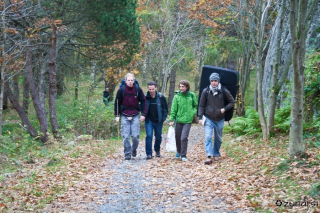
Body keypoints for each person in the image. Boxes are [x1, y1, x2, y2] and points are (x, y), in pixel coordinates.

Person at [198, 73, 235, 164]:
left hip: (220, 119)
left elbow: (232, 102)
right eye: (212, 81)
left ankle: (216, 153)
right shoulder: (206, 91)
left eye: (215, 81)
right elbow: (201, 105)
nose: (214, 83)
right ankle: (209, 155)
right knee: (208, 137)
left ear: (218, 81)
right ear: (210, 81)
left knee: (218, 138)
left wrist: (224, 109)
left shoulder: (223, 91)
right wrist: (200, 117)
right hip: (208, 118)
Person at [114, 73, 147, 160]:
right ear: (125, 81)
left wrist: (143, 114)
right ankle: (127, 154)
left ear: (134, 81)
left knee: (135, 136)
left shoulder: (138, 90)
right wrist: (116, 115)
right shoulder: (121, 90)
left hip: (135, 114)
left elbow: (143, 101)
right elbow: (117, 103)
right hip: (124, 115)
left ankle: (134, 149)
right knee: (125, 136)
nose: (130, 82)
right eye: (128, 80)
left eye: (132, 80)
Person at [169, 80, 198, 162]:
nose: (181, 88)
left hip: (188, 121)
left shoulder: (191, 95)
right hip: (179, 120)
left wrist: (192, 113)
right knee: (177, 138)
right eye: (180, 86)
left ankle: (183, 155)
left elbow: (195, 106)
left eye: (183, 86)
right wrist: (172, 119)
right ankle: (178, 150)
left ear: (187, 87)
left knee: (184, 137)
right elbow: (173, 109)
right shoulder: (176, 96)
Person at [145, 81, 168, 160]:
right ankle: (149, 153)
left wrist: (163, 118)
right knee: (149, 136)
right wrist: (143, 115)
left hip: (158, 120)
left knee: (158, 137)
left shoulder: (161, 97)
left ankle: (157, 150)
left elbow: (165, 108)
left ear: (155, 88)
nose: (151, 91)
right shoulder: (145, 97)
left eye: (152, 89)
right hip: (149, 121)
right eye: (149, 89)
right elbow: (141, 107)